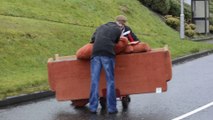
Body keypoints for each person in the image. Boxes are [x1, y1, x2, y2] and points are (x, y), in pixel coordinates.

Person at [89, 21, 123, 114]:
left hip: (95, 53)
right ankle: (112, 108)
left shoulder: (100, 27)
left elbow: (92, 40)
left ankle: (92, 107)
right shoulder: (117, 29)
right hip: (108, 54)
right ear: (119, 26)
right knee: (110, 81)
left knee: (94, 81)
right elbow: (116, 42)